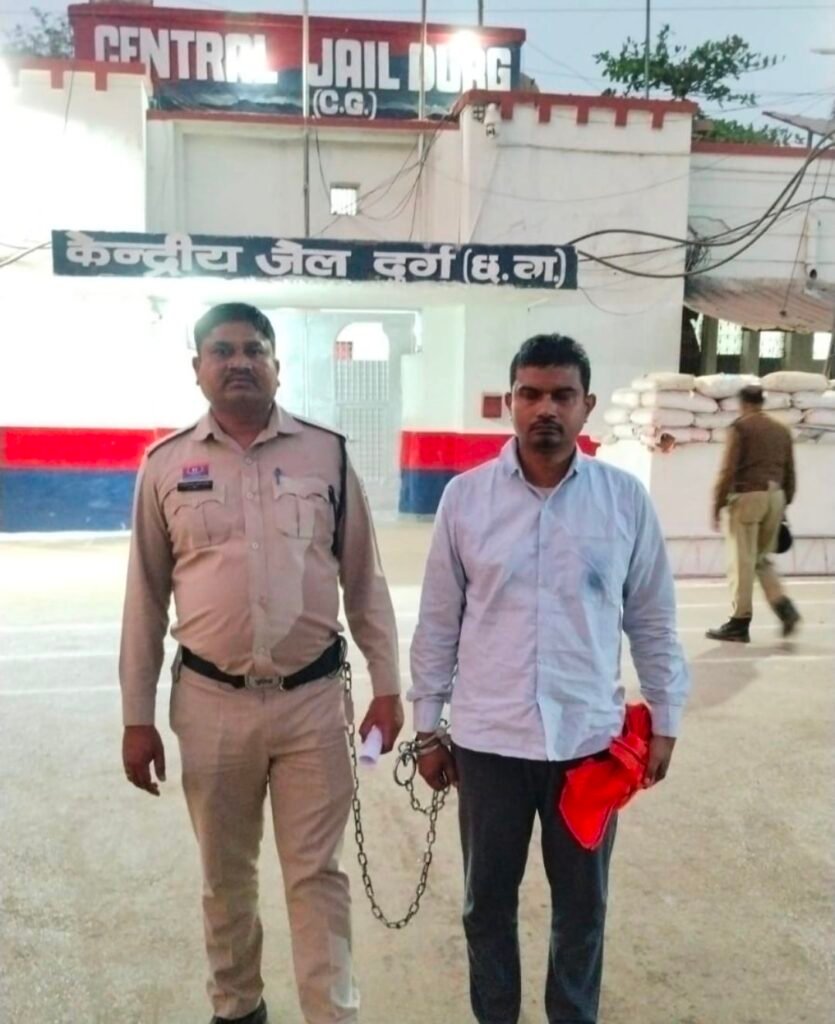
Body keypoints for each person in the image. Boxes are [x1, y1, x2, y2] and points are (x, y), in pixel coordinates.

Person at [120, 302, 403, 1024]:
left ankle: (330, 1013)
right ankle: (237, 1007)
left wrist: (387, 686)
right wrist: (136, 718)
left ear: (279, 365)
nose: (239, 362)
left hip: (313, 703)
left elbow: (364, 581)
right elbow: (144, 600)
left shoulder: (327, 454)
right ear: (198, 368)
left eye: (255, 349)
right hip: (210, 702)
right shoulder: (163, 465)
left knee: (316, 875)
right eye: (222, 350)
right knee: (225, 877)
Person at [409, 334, 690, 1024]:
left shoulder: (623, 501)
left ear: (586, 405)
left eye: (562, 395)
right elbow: (437, 623)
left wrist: (666, 717)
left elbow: (652, 619)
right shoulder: (465, 500)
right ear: (510, 403)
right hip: (489, 744)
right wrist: (426, 728)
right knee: (485, 905)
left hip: (587, 744)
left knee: (582, 909)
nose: (545, 409)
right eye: (530, 394)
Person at [707, 384, 800, 643]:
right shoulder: (781, 429)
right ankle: (783, 607)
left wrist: (717, 504)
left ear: (743, 403)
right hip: (776, 497)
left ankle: (739, 622)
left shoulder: (740, 428)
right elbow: (790, 471)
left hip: (748, 497)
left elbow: (728, 469)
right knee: (760, 559)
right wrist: (784, 502)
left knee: (741, 562)